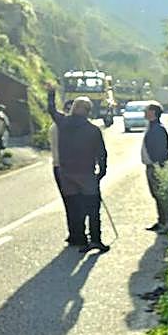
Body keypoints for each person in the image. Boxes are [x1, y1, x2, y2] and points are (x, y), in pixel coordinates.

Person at [47, 87, 109, 253]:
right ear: (88, 112)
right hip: (87, 173)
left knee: (75, 207)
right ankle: (95, 239)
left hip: (67, 173)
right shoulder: (94, 130)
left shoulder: (63, 123)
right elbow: (102, 153)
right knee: (93, 207)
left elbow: (51, 110)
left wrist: (51, 93)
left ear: (73, 108)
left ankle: (80, 239)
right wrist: (101, 173)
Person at [49, 98, 78, 242]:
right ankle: (76, 232)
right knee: (74, 200)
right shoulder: (68, 127)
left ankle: (74, 232)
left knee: (70, 201)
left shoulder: (57, 126)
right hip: (66, 166)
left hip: (59, 166)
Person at [142, 101, 168, 232]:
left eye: (146, 110)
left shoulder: (158, 129)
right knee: (156, 195)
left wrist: (158, 166)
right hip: (152, 166)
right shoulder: (152, 127)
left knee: (163, 195)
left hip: (157, 166)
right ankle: (161, 221)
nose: (144, 113)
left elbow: (161, 151)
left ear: (153, 113)